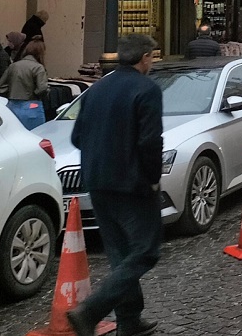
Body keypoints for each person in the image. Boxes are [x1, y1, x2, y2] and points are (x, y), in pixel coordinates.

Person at [66, 34, 163, 336]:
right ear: (145, 57)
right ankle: (91, 310)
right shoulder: (147, 89)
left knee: (121, 254)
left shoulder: (97, 89)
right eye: (152, 57)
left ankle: (129, 321)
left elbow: (76, 137)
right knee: (145, 252)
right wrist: (153, 177)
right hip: (132, 183)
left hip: (97, 181)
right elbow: (150, 140)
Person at [0, 38, 49, 130]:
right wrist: (35, 93)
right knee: (36, 136)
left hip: (12, 106)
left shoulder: (13, 66)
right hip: (32, 106)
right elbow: (42, 88)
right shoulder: (38, 67)